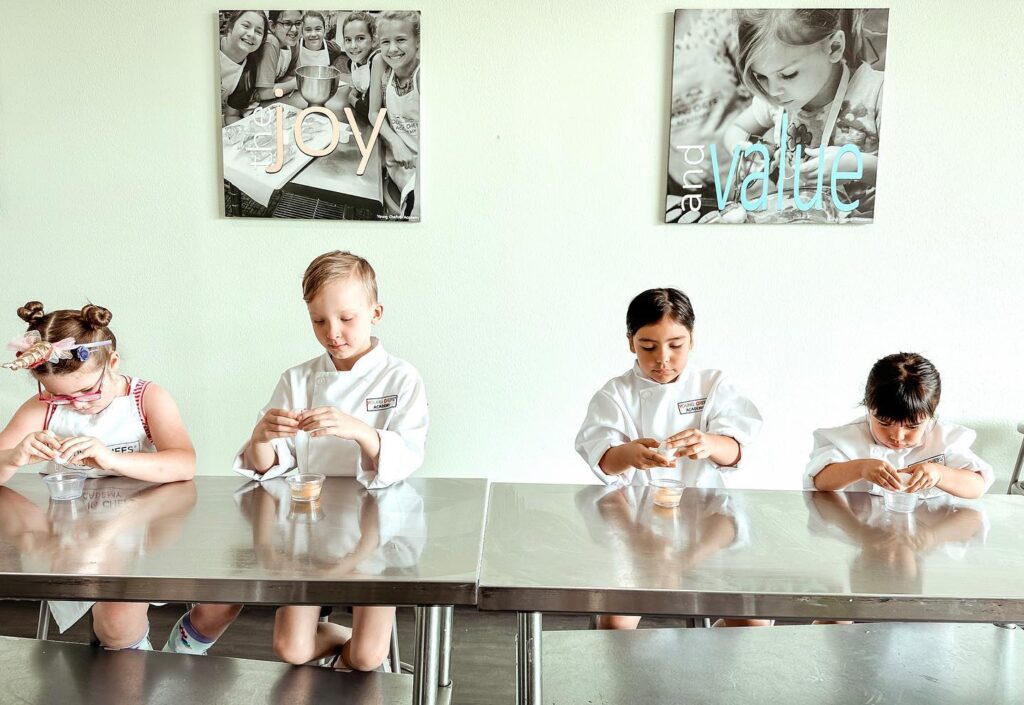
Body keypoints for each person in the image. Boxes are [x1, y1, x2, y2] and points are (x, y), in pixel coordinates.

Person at [232, 250, 428, 669]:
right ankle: (345, 642)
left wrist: (357, 429)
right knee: (291, 649)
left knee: (366, 658)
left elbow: (408, 454)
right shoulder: (298, 378)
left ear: (375, 312)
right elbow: (268, 465)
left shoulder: (401, 377)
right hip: (308, 524)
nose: (332, 332)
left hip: (377, 525)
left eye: (346, 318)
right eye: (319, 321)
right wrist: (261, 436)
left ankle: (366, 650)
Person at [0, 301, 199, 650]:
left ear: (113, 363)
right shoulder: (42, 409)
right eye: (61, 397)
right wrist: (14, 457)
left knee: (119, 618)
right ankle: (125, 654)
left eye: (87, 390)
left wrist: (109, 459)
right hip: (69, 539)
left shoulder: (145, 397)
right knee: (114, 626)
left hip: (140, 528)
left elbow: (184, 463)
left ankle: (163, 649)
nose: (76, 403)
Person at [575, 288, 763, 630]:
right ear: (631, 342)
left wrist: (710, 443)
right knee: (616, 623)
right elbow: (601, 457)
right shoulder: (616, 394)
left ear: (692, 339)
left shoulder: (713, 384)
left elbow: (736, 448)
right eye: (649, 347)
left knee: (755, 618)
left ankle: (707, 653)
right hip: (634, 516)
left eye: (675, 345)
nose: (663, 358)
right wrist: (628, 454)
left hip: (708, 516)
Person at [722, 9, 882, 217]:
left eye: (788, 75)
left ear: (834, 48)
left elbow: (909, 174)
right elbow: (735, 130)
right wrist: (751, 156)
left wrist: (856, 165)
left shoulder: (878, 92)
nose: (772, 91)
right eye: (760, 76)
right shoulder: (775, 100)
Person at [806, 352, 994, 499]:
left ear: (930, 414)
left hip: (927, 537)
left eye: (912, 427)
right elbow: (820, 480)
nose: (897, 436)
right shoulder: (850, 438)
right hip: (864, 535)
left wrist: (939, 474)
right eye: (884, 423)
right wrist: (860, 468)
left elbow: (977, 486)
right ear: (869, 408)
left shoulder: (944, 440)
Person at [369, 11, 420, 218]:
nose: (392, 49)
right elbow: (374, 113)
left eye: (401, 40)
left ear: (418, 41)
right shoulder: (381, 63)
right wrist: (395, 142)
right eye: (385, 42)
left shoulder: (422, 74)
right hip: (397, 164)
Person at [220, 10, 268, 125]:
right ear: (230, 26)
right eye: (246, 26)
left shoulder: (248, 71)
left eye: (258, 32)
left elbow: (231, 114)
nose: (251, 34)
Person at [257, 10, 304, 102]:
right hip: (252, 105)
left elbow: (293, 76)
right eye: (287, 23)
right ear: (272, 26)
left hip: (275, 99)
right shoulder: (270, 43)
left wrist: (295, 81)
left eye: (298, 23)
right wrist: (297, 83)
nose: (294, 29)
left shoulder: (293, 42)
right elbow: (264, 93)